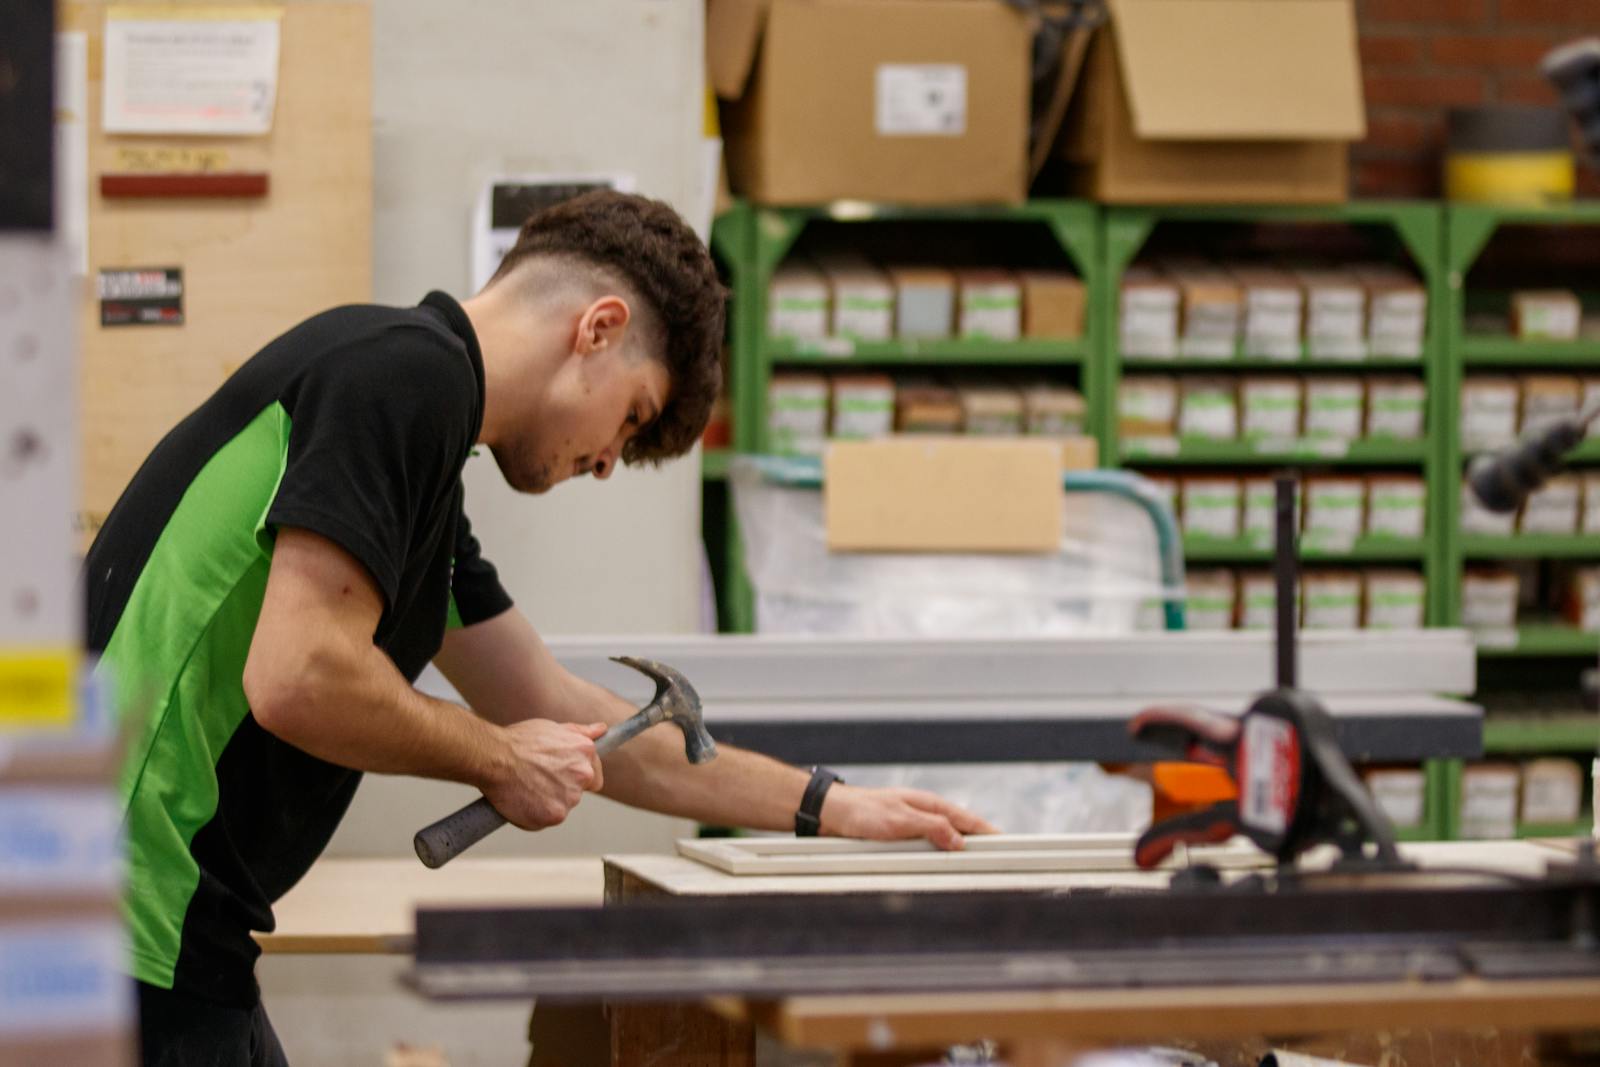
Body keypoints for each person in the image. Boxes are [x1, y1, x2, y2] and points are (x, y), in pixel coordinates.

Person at [86, 190, 996, 1066]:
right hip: (120, 917)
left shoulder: (423, 477)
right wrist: (498, 758)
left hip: (156, 923)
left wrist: (832, 806)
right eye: (630, 417)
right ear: (598, 329)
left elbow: (557, 707)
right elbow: (299, 675)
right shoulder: (406, 376)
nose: (607, 463)